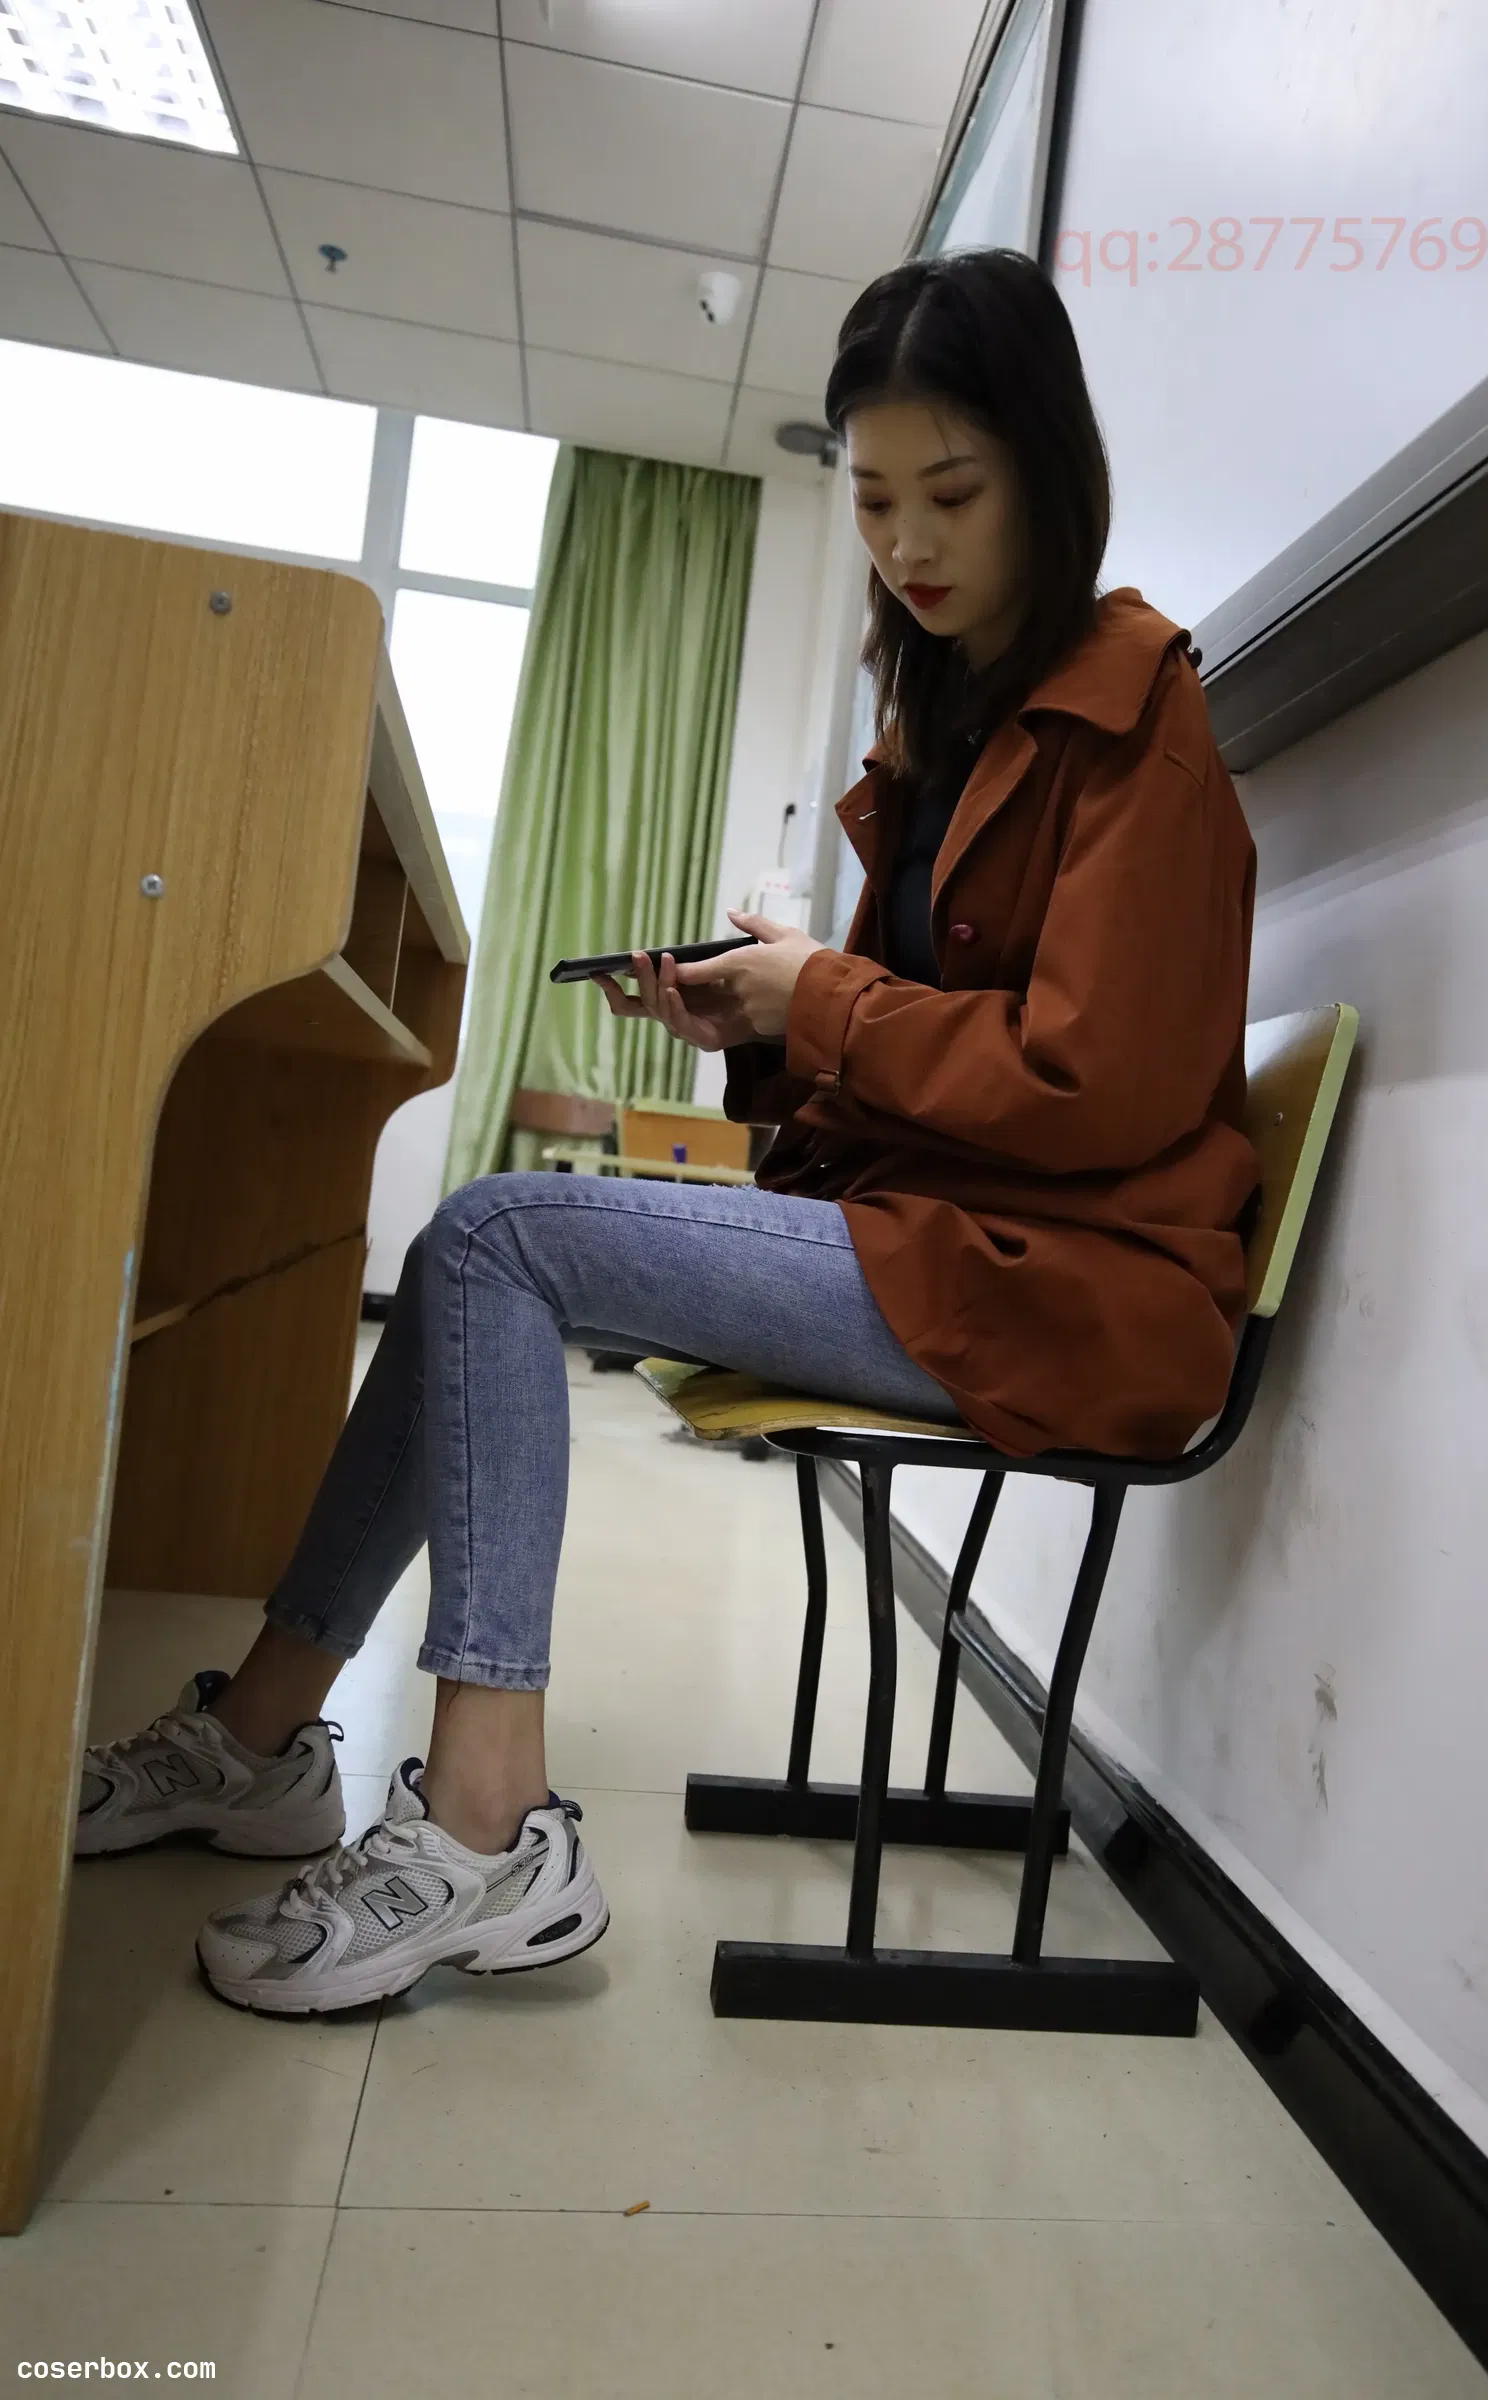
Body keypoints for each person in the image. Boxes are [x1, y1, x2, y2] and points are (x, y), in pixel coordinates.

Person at [76, 248, 1257, 2018]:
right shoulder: (953, 712)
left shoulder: (1135, 713)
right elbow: (945, 1056)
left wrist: (820, 999)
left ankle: (485, 1828)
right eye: (873, 498)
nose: (908, 543)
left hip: (1071, 1295)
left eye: (952, 493)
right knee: (473, 1253)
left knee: (494, 1236)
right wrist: (766, 1019)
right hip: (963, 1250)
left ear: (1051, 474)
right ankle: (263, 1738)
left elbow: (1096, 1089)